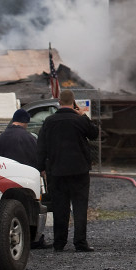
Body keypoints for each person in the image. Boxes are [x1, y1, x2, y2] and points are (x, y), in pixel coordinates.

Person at [36, 89, 99, 252]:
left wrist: (41, 167)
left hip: (56, 171)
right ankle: (80, 242)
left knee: (60, 208)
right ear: (73, 102)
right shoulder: (79, 120)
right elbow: (94, 133)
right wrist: (83, 115)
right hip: (79, 170)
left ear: (59, 102)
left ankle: (59, 243)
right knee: (80, 207)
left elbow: (41, 146)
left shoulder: (49, 121)